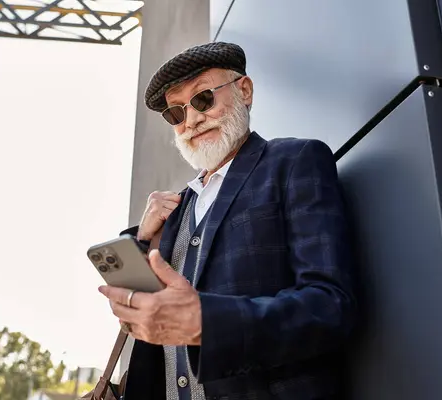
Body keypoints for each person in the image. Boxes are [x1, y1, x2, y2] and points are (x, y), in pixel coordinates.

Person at [97, 41, 357, 400]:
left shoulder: (295, 161)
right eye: (176, 113)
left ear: (244, 91)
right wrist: (142, 239)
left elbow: (329, 307)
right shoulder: (176, 207)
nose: (191, 120)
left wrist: (207, 322)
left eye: (203, 98)